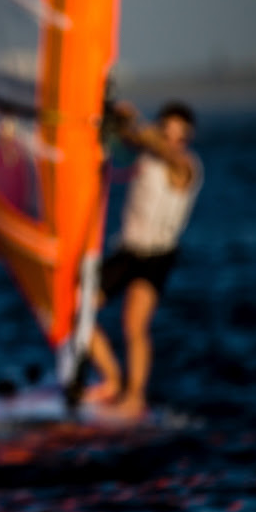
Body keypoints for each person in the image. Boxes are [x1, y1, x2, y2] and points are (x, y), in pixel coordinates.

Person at [85, 100, 202, 420]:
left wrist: (137, 119)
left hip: (157, 256)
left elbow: (160, 149)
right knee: (76, 309)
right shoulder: (147, 153)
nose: (172, 140)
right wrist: (114, 115)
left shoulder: (186, 166)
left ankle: (135, 398)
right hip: (127, 249)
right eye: (167, 132)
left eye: (180, 136)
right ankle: (111, 379)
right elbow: (132, 138)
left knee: (134, 324)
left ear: (188, 139)